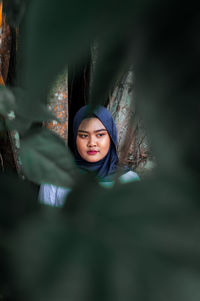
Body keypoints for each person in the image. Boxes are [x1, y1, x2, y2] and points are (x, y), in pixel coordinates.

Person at [39, 105, 139, 206]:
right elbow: (44, 219)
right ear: (75, 139)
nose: (91, 143)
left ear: (111, 137)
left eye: (100, 135)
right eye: (84, 136)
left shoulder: (130, 180)